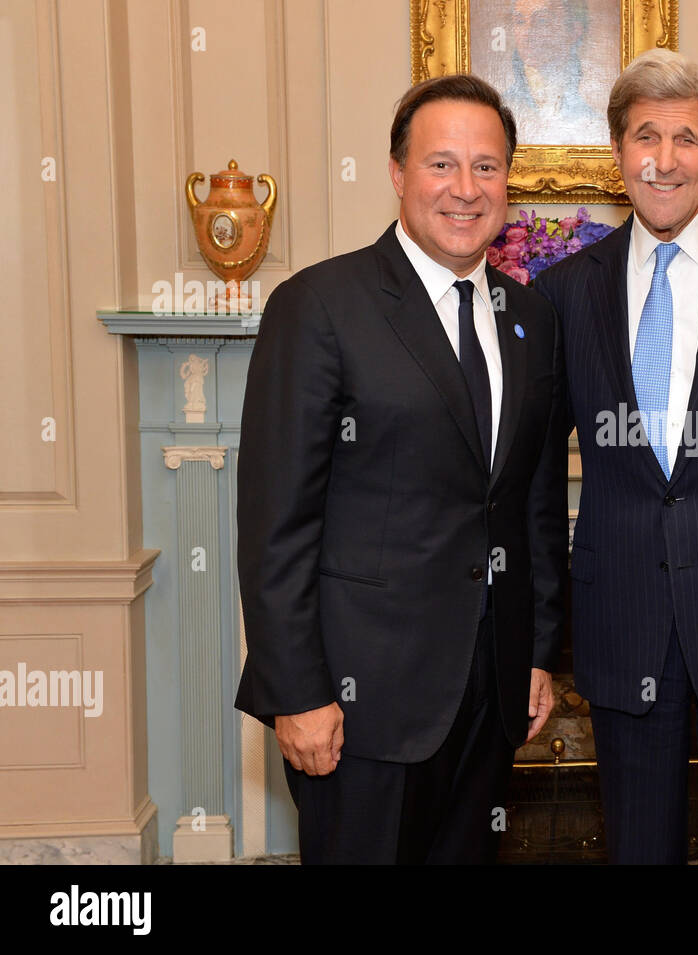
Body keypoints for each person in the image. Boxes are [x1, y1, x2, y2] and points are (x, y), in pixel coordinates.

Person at [234, 74, 569, 864]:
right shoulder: (318, 306)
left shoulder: (532, 319)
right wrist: (298, 691)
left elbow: (533, 505)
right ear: (397, 173)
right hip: (359, 707)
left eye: (486, 167)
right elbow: (274, 523)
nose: (465, 188)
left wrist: (538, 650)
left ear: (508, 183)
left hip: (489, 700)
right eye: (441, 164)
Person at [535, 50, 698, 865]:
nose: (666, 158)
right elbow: (536, 484)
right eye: (647, 135)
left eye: (686, 137)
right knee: (636, 846)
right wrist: (540, 641)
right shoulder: (566, 291)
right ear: (617, 152)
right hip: (622, 618)